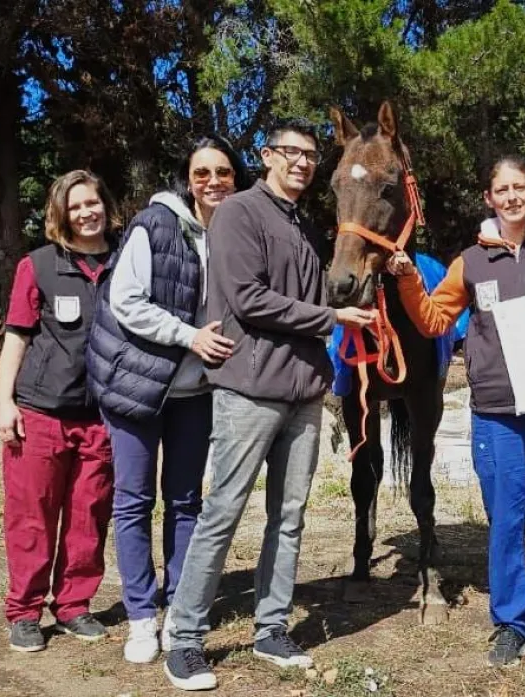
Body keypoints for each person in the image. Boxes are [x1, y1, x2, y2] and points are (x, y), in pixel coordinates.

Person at [161, 119, 376, 691]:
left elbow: (323, 290)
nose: (302, 162)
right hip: (249, 390)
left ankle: (271, 628)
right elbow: (250, 299)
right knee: (223, 513)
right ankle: (184, 638)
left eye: (309, 156)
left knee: (289, 516)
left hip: (304, 391)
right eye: (291, 153)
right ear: (267, 156)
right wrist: (332, 319)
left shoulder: (303, 225)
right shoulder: (238, 213)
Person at [384, 155, 525, 668]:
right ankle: (511, 622)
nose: (510, 197)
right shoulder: (471, 261)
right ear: (489, 198)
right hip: (496, 413)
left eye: (518, 187)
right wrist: (405, 281)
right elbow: (434, 319)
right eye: (500, 190)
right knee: (505, 521)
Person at [86, 136, 249, 664]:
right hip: (137, 385)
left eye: (223, 172)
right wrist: (189, 337)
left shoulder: (234, 232)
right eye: (202, 172)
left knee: (185, 502)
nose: (213, 181)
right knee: (133, 501)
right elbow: (126, 301)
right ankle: (140, 615)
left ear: (236, 176)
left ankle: (179, 604)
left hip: (194, 393)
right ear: (188, 176)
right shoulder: (154, 224)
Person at [0, 170, 120, 652]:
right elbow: (16, 337)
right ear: (60, 214)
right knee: (32, 517)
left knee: (90, 515)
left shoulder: (125, 263)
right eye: (76, 206)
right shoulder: (39, 265)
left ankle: (73, 606)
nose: (88, 212)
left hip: (102, 417)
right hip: (41, 412)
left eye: (94, 203)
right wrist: (4, 402)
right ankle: (24, 612)